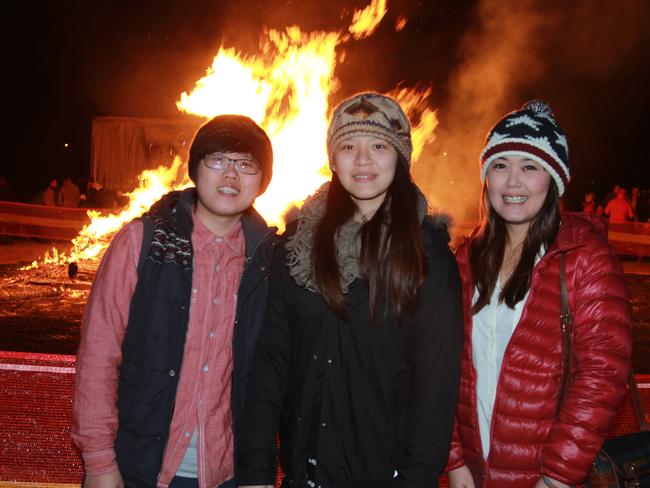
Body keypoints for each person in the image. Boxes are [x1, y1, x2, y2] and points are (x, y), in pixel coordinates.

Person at [236, 93, 464, 488]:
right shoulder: (295, 247)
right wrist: (255, 474)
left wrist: (415, 481)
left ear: (400, 156)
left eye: (378, 146)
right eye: (348, 146)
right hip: (302, 475)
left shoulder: (427, 256)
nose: (362, 160)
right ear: (333, 159)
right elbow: (270, 367)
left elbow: (436, 389)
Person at [72, 115, 279, 488]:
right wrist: (100, 460)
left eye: (246, 164)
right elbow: (99, 354)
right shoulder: (142, 243)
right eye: (217, 160)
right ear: (195, 169)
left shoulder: (268, 261)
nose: (230, 175)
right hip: (139, 466)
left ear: (262, 182)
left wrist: (258, 471)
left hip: (226, 472)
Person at [446, 101, 633, 487]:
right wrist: (453, 461)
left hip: (546, 477)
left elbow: (602, 375)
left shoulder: (585, 259)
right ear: (486, 178)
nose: (512, 182)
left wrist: (558, 475)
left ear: (553, 179)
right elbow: (440, 364)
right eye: (500, 166)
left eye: (529, 167)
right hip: (474, 474)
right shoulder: (465, 260)